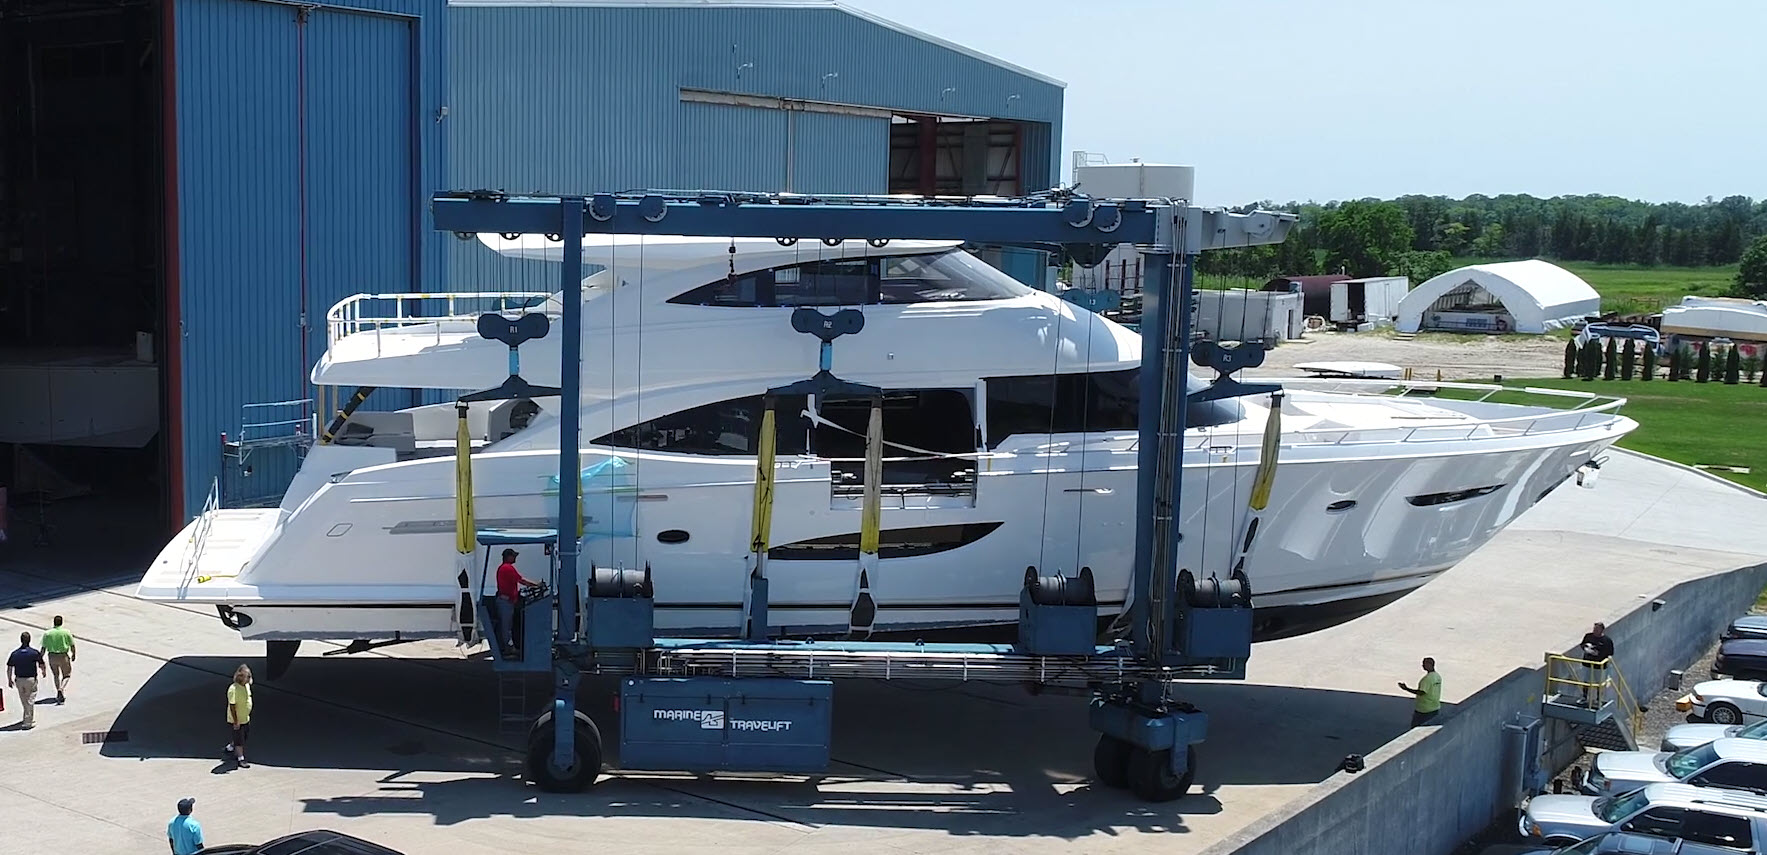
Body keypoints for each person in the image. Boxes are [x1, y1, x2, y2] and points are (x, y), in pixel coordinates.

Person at [494, 548, 541, 657]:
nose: (515, 558)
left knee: (508, 625)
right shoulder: (507, 568)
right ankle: (507, 648)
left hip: (507, 601)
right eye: (513, 556)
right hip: (506, 602)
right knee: (506, 627)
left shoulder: (504, 568)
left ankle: (510, 647)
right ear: (508, 557)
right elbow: (521, 580)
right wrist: (537, 585)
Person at [7, 631, 46, 729]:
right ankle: (27, 722)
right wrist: (43, 671)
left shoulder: (15, 653)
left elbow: (10, 667)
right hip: (30, 679)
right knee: (30, 700)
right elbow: (41, 663)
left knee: (24, 700)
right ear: (29, 640)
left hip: (19, 680)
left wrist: (9, 679)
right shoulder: (34, 652)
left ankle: (27, 717)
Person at [223, 664, 253, 767]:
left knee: (243, 736)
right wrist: (236, 721)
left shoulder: (246, 686)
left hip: (245, 718)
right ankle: (241, 758)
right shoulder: (233, 689)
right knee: (239, 740)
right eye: (247, 677)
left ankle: (230, 747)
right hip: (237, 720)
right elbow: (232, 706)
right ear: (240, 677)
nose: (249, 679)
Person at [1399, 657, 1443, 727]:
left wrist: (1406, 688)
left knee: (1416, 728)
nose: (1422, 665)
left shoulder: (1427, 679)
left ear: (1429, 664)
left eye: (1424, 664)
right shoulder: (1437, 676)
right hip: (1435, 707)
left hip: (1424, 710)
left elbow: (1421, 692)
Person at [41, 615, 75, 704]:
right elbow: (72, 645)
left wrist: (40, 658)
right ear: (62, 622)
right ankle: (61, 688)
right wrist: (73, 654)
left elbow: (43, 648)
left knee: (56, 675)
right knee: (67, 675)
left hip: (52, 656)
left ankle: (58, 692)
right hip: (63, 655)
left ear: (54, 622)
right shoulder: (66, 632)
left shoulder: (48, 633)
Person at [1581, 622, 1616, 706]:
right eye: (1594, 629)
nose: (1595, 630)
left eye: (1597, 629)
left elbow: (1610, 652)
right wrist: (1586, 648)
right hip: (1587, 663)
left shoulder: (1607, 641)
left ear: (1601, 630)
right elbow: (1582, 644)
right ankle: (1584, 697)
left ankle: (1598, 699)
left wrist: (1598, 653)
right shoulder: (1588, 636)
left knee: (1599, 683)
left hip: (1599, 666)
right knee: (1586, 681)